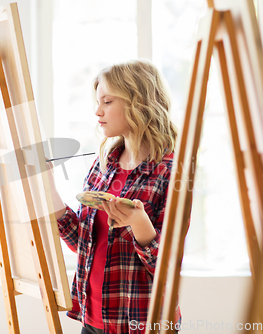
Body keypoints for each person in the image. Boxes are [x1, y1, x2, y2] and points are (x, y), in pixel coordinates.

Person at [48, 60, 181, 334]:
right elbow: (84, 242)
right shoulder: (104, 164)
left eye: (107, 101)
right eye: (98, 102)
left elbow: (167, 270)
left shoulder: (171, 171)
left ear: (138, 102)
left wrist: (140, 224)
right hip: (93, 319)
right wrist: (47, 188)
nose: (97, 111)